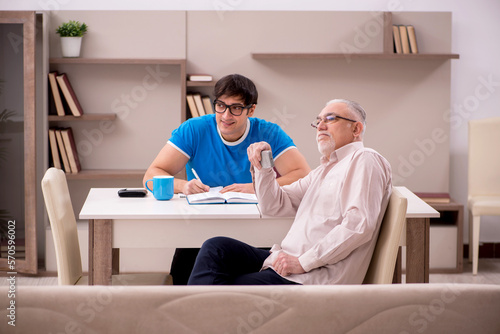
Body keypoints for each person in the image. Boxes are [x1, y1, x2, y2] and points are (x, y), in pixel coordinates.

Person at [187, 99, 393, 285]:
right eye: (318, 121)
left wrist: (303, 262)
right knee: (215, 248)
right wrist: (265, 164)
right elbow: (273, 206)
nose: (320, 126)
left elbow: (359, 225)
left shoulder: (365, 159)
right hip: (283, 261)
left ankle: (189, 318)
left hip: (311, 276)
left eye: (330, 119)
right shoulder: (322, 172)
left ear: (356, 128)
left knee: (225, 285)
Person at [143, 74, 311, 285]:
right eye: (220, 106)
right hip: (199, 230)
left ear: (251, 110)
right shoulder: (194, 129)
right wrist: (183, 185)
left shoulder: (268, 132)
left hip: (256, 233)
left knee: (240, 292)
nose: (226, 115)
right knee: (184, 293)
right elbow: (152, 174)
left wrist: (258, 187)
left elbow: (303, 174)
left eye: (236, 108)